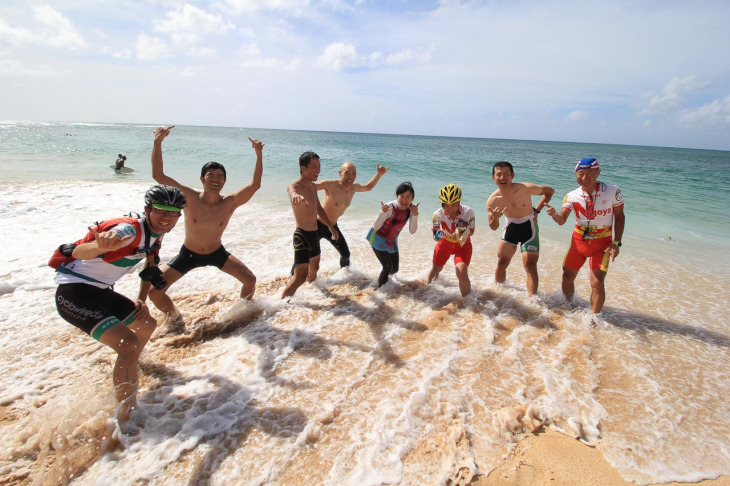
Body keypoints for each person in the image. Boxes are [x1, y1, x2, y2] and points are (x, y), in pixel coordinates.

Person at [53, 185, 185, 421]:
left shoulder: (157, 235)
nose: (167, 217)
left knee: (146, 325)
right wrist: (101, 245)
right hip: (74, 294)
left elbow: (150, 269)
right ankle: (126, 415)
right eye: (161, 210)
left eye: (173, 212)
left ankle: (128, 365)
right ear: (147, 209)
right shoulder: (130, 230)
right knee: (129, 344)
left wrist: (141, 300)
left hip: (101, 292)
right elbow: (81, 252)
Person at [148, 125, 264, 318]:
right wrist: (158, 142)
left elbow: (255, 185)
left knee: (250, 280)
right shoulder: (189, 197)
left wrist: (259, 155)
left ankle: (243, 314)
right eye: (211, 175)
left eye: (220, 176)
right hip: (189, 255)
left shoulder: (229, 202)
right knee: (154, 292)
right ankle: (175, 318)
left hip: (217, 253)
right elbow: (159, 176)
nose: (216, 179)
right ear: (202, 178)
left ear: (225, 181)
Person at [545, 157, 625, 313]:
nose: (584, 178)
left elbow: (620, 216)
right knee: (567, 276)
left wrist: (617, 242)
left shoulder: (612, 191)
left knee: (597, 282)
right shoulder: (571, 196)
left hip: (602, 244)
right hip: (578, 242)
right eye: (580, 174)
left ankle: (593, 318)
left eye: (590, 174)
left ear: (598, 173)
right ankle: (570, 306)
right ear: (575, 174)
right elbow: (562, 220)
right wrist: (554, 215)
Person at [486, 161, 554, 295]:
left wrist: (537, 211)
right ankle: (499, 294)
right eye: (498, 175)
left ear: (512, 175)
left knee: (530, 265)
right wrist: (496, 218)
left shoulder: (525, 188)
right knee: (502, 263)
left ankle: (532, 300)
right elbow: (493, 227)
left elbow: (550, 192)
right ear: (493, 178)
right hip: (510, 228)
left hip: (529, 227)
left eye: (506, 174)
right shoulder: (493, 201)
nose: (502, 178)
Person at [282, 151, 340, 298]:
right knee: (299, 278)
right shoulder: (294, 186)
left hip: (314, 235)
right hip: (302, 235)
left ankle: (312, 296)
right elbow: (292, 192)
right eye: (314, 166)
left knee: (314, 269)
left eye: (319, 166)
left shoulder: (313, 187)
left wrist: (330, 226)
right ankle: (280, 306)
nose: (318, 170)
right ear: (303, 168)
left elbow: (319, 208)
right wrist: (295, 197)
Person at [314, 161, 390, 269]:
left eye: (354, 173)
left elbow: (368, 187)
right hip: (317, 225)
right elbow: (309, 187)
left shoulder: (354, 188)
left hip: (333, 227)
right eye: (347, 173)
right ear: (340, 173)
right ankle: (293, 276)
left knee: (345, 255)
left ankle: (343, 278)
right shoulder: (330, 185)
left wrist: (379, 175)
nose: (351, 176)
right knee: (308, 255)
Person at [366, 181, 419, 286]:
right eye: (402, 196)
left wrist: (415, 214)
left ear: (412, 199)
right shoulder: (389, 207)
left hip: (391, 241)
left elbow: (412, 231)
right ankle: (380, 288)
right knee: (387, 267)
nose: (404, 200)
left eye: (408, 197)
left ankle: (383, 280)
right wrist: (382, 213)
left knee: (394, 269)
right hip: (377, 238)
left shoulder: (411, 209)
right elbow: (376, 227)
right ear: (397, 196)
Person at [427, 184, 475, 296]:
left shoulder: (468, 212)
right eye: (446, 205)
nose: (450, 209)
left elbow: (472, 232)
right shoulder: (437, 214)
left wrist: (464, 230)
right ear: (442, 204)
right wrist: (437, 235)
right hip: (444, 245)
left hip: (463, 245)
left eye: (454, 205)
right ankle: (427, 292)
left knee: (462, 272)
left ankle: (468, 303)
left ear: (459, 202)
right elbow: (435, 236)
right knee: (435, 270)